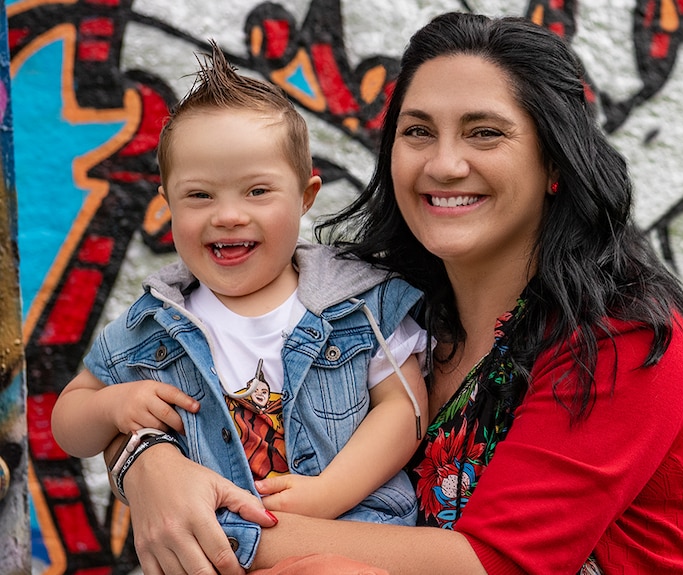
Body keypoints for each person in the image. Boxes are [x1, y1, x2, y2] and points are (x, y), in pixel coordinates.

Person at [102, 12, 683, 574]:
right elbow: (160, 386)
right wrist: (148, 463)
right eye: (418, 131)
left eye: (484, 133)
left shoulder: (623, 340)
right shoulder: (372, 308)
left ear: (554, 162)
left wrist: (208, 523)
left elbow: (495, 561)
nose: (444, 164)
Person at [50, 41, 430, 566]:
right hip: (212, 553)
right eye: (200, 196)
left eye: (257, 192)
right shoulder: (155, 324)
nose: (228, 215)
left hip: (351, 535)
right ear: (166, 206)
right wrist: (111, 406)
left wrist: (329, 492)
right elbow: (68, 420)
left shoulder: (359, 303)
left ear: (305, 196)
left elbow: (404, 409)